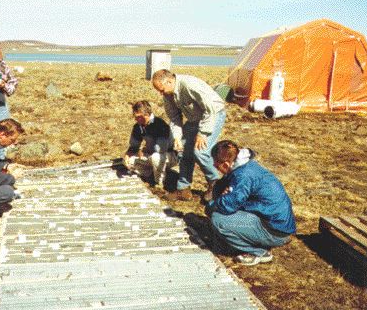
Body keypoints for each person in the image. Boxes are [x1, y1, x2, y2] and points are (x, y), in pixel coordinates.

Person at [207, 140, 296, 266]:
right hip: (271, 219)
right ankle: (244, 238)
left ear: (226, 164)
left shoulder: (243, 175)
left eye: (216, 162)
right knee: (211, 207)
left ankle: (258, 252)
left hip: (276, 230)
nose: (214, 165)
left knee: (218, 219)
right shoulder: (242, 165)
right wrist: (223, 194)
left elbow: (228, 207)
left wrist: (223, 198)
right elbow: (220, 190)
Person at [151, 69, 226, 201]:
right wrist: (177, 138)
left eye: (162, 90)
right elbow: (174, 117)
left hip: (213, 115)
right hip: (194, 119)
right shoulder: (168, 94)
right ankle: (183, 190)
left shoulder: (190, 85)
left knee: (200, 152)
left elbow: (210, 110)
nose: (161, 93)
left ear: (169, 81)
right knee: (183, 151)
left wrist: (203, 133)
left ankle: (216, 185)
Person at [123, 100, 178, 187]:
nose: (135, 119)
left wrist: (143, 150)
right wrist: (127, 154)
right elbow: (134, 146)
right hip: (150, 154)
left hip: (168, 155)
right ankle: (151, 175)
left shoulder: (160, 124)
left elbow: (161, 149)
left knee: (156, 157)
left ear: (146, 114)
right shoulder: (138, 126)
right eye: (135, 116)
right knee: (129, 161)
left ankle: (159, 184)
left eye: (138, 117)